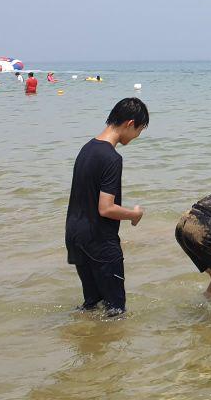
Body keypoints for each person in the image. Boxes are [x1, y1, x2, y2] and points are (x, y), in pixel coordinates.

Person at [64, 98, 149, 316]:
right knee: (116, 309)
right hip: (99, 239)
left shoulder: (87, 148)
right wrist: (134, 214)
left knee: (92, 303)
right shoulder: (111, 157)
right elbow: (106, 208)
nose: (137, 136)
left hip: (76, 235)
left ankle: (86, 343)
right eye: (139, 130)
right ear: (130, 124)